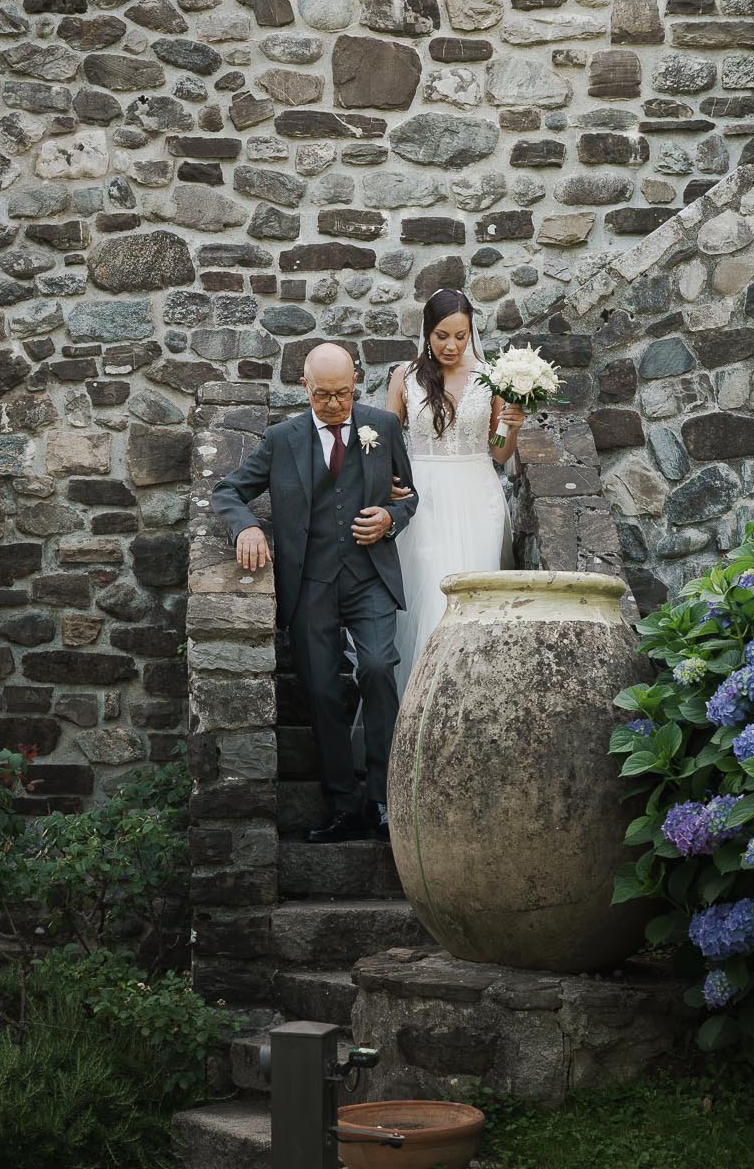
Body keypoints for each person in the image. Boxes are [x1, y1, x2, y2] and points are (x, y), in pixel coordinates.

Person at [210, 342, 419, 843]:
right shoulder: (282, 439)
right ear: (304, 387)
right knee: (323, 692)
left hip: (369, 577)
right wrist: (246, 530)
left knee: (376, 668)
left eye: (343, 393)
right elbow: (227, 491)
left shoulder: (381, 427)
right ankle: (344, 808)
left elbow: (410, 496)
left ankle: (385, 801)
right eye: (323, 395)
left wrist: (391, 518)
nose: (334, 404)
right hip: (310, 584)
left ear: (356, 383)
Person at [382, 290, 524, 690]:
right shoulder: (405, 378)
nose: (452, 345)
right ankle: (422, 699)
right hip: (424, 496)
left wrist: (512, 425)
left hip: (477, 493)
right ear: (427, 332)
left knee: (477, 594)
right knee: (429, 592)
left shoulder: (492, 378)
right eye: (443, 335)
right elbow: (386, 444)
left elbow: (499, 455)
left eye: (461, 336)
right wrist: (390, 485)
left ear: (471, 332)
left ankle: (473, 695)